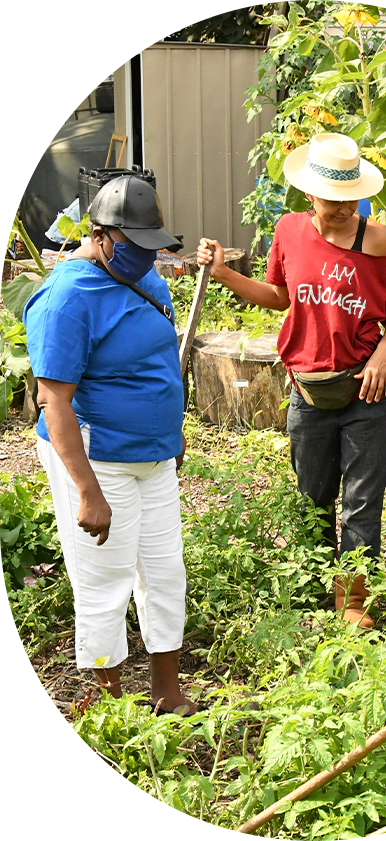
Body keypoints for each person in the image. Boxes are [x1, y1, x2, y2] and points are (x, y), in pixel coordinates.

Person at [197, 132, 386, 628]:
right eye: (330, 201)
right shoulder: (289, 230)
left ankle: (352, 603)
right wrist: (224, 272)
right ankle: (312, 592)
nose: (339, 210)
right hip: (308, 389)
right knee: (311, 496)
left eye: (348, 201)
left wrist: (385, 351)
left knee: (362, 499)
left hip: (366, 388)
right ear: (308, 193)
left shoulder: (375, 239)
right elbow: (277, 295)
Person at [23, 174, 199, 715]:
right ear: (99, 235)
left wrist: (172, 435)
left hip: (154, 456)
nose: (147, 258)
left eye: (154, 247)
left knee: (165, 572)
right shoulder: (65, 299)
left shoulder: (148, 280)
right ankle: (109, 708)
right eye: (133, 247)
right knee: (106, 581)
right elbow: (54, 402)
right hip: (99, 460)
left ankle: (167, 693)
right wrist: (87, 491)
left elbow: (156, 366)